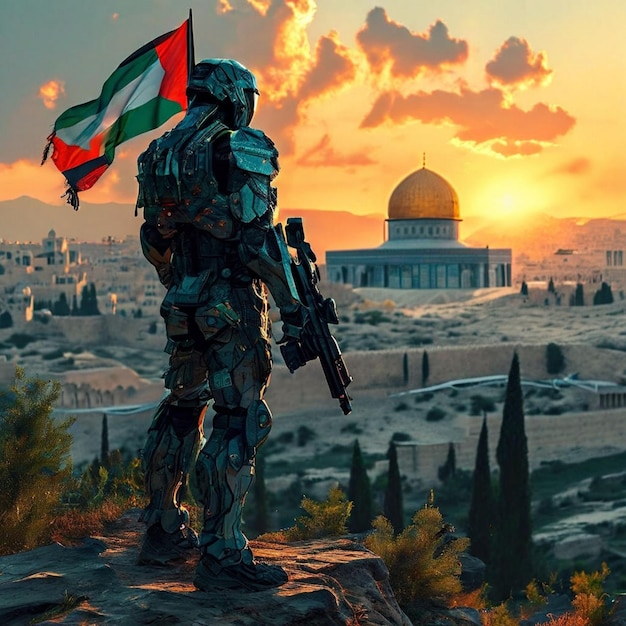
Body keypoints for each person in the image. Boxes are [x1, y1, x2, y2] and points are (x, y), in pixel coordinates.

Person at [134, 58, 306, 591]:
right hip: (229, 304)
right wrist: (292, 307)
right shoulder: (240, 147)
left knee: (182, 407)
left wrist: (179, 279)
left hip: (182, 304)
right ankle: (221, 551)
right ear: (237, 96)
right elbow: (257, 242)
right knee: (239, 419)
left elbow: (153, 238)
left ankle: (162, 527)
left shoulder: (157, 152)